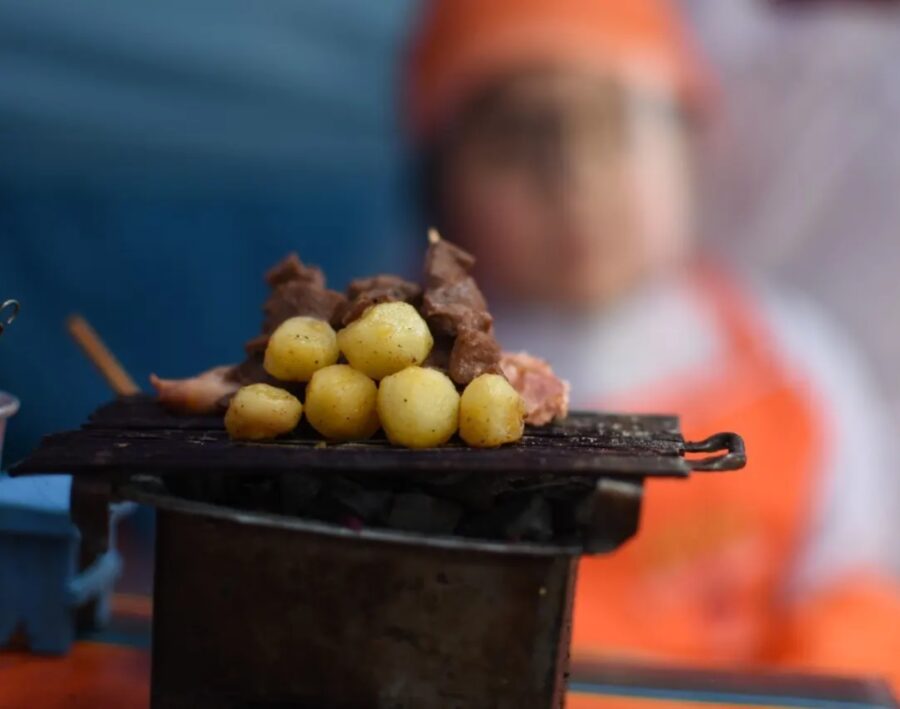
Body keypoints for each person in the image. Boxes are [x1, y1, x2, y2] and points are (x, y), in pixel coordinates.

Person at [405, 0, 900, 688]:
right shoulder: (413, 401)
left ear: (689, 142)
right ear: (440, 188)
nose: (574, 176)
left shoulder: (793, 360)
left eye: (616, 123)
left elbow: (856, 591)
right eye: (519, 139)